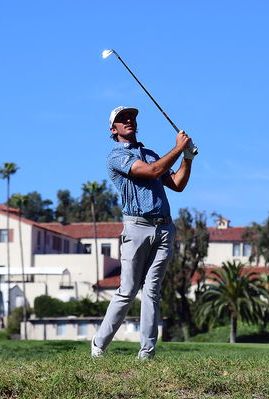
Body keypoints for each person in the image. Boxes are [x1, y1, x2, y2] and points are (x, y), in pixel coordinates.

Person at [91, 106, 196, 359]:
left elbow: (177, 184)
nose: (129, 121)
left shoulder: (151, 154)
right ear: (113, 129)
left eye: (132, 118)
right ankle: (99, 345)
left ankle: (147, 352)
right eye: (122, 119)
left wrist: (188, 159)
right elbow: (152, 172)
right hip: (136, 227)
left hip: (164, 228)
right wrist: (178, 148)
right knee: (127, 290)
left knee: (152, 291)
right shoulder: (115, 156)